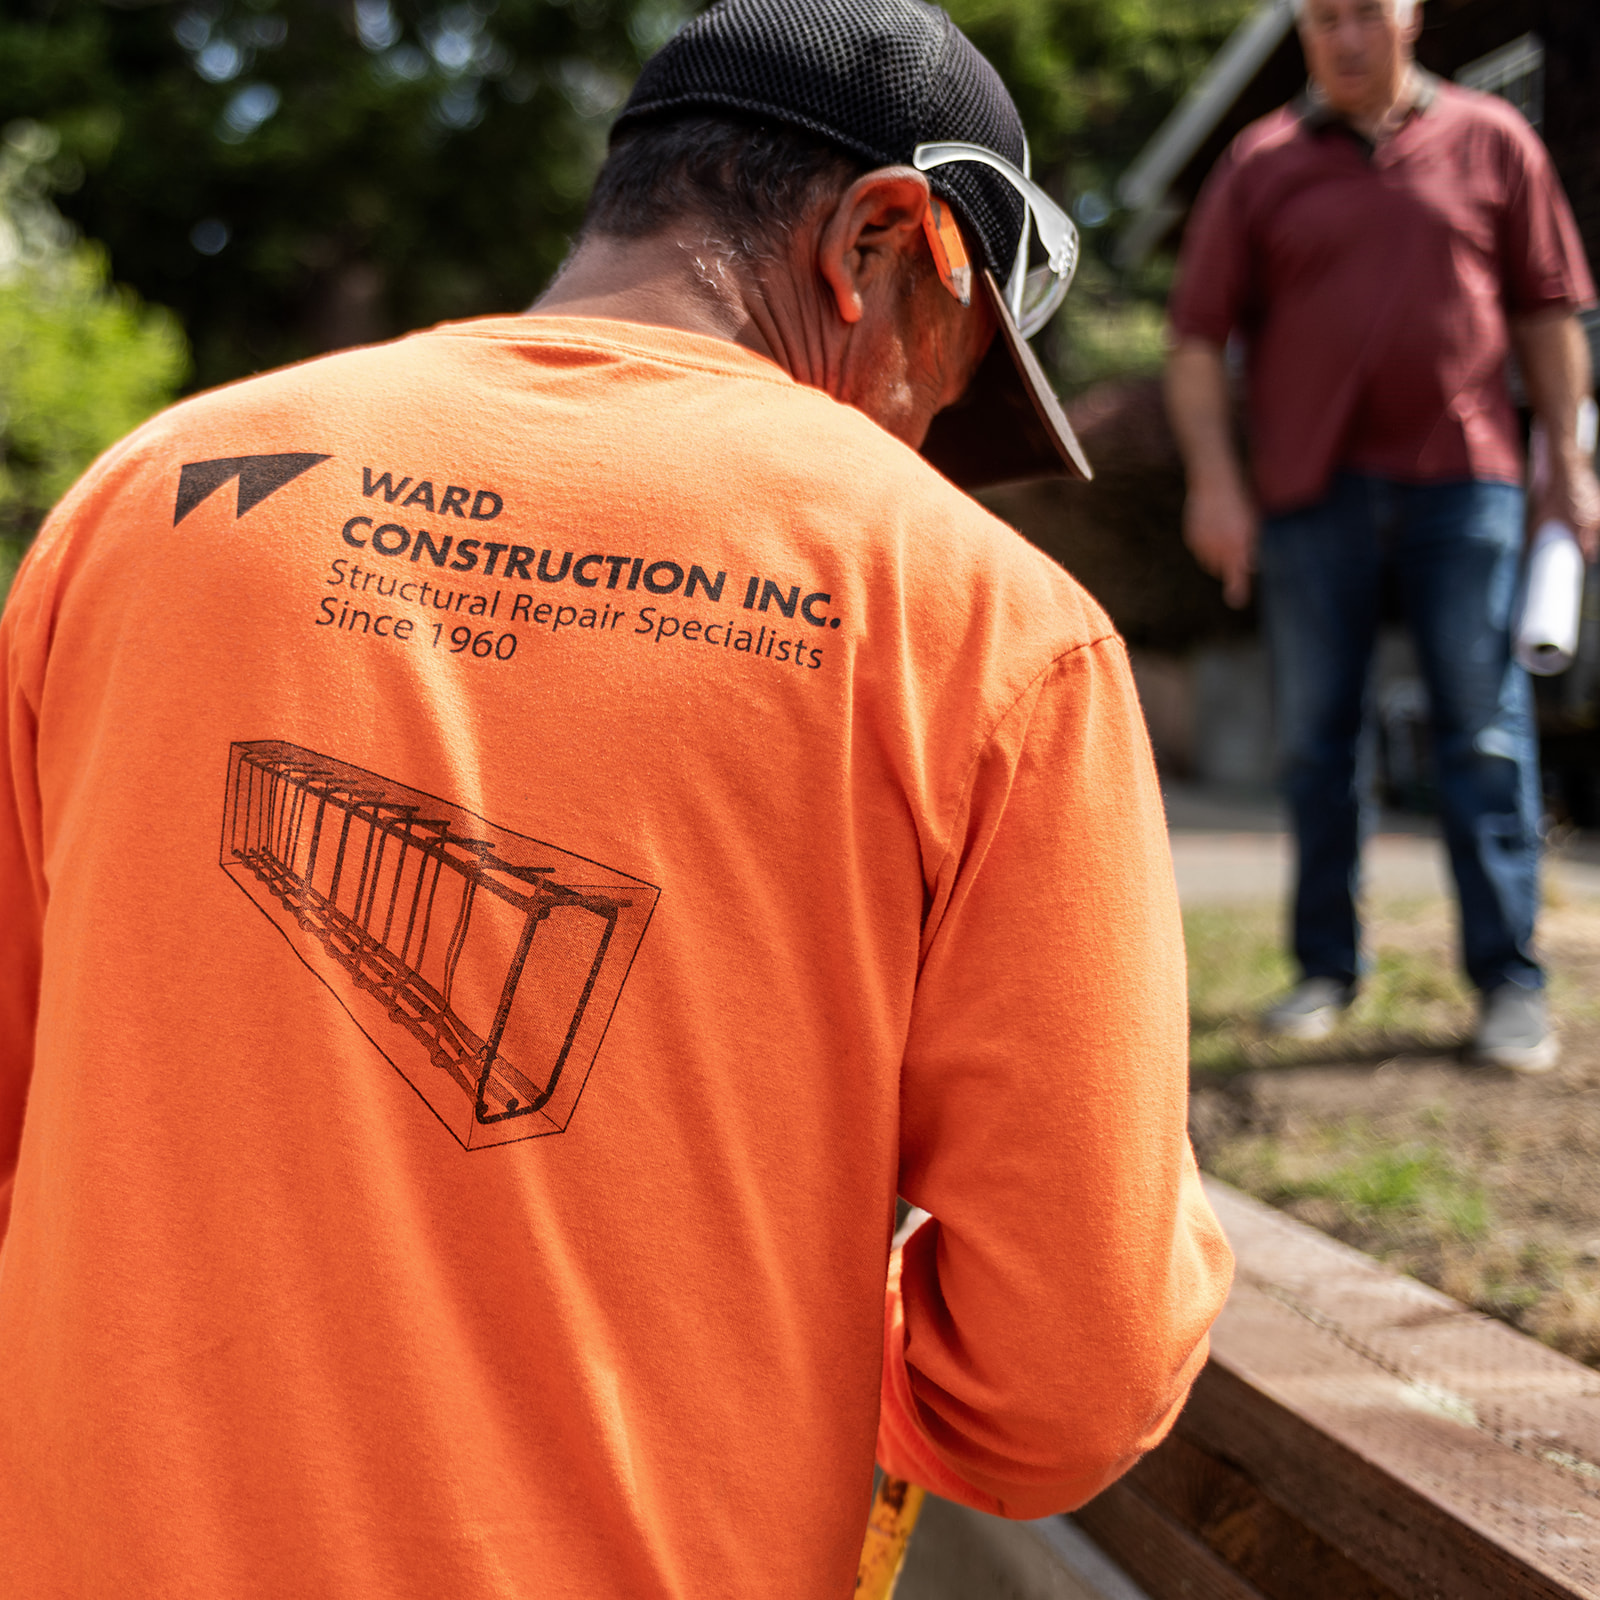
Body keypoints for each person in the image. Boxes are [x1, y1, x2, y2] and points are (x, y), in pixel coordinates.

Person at [0, 2, 1232, 1594]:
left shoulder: (146, 502)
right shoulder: (991, 628)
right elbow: (1070, 1383)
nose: (916, 437)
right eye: (950, 368)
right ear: (879, 238)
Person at [1165, 0, 1600, 1071]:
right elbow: (1191, 342)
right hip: (1311, 494)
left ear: (1406, 17)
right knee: (1317, 740)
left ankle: (1508, 984)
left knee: (1484, 731)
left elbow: (1547, 313)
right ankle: (1324, 968)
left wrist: (1569, 470)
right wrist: (1216, 484)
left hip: (1470, 485)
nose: (1341, 39)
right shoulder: (1259, 163)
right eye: (1318, 22)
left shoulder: (1494, 140)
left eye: (1360, 15)